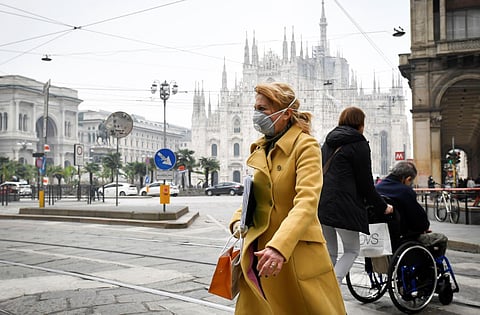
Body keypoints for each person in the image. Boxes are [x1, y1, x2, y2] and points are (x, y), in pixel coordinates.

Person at [229, 82, 345, 315]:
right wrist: (237, 220)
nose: (256, 115)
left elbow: (307, 201)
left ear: (286, 113)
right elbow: (256, 196)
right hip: (259, 251)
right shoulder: (260, 148)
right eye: (256, 108)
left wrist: (279, 247)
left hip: (293, 252)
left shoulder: (306, 146)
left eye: (263, 109)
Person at [317, 106, 393, 283]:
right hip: (344, 205)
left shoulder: (328, 142)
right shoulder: (359, 144)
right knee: (351, 250)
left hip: (322, 204)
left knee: (330, 252)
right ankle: (331, 291)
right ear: (360, 123)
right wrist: (383, 207)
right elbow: (366, 184)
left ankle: (320, 294)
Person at [375, 161, 448, 255]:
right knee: (441, 238)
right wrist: (423, 229)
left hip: (378, 237)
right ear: (407, 179)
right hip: (402, 239)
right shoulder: (405, 191)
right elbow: (420, 222)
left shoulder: (376, 189)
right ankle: (432, 266)